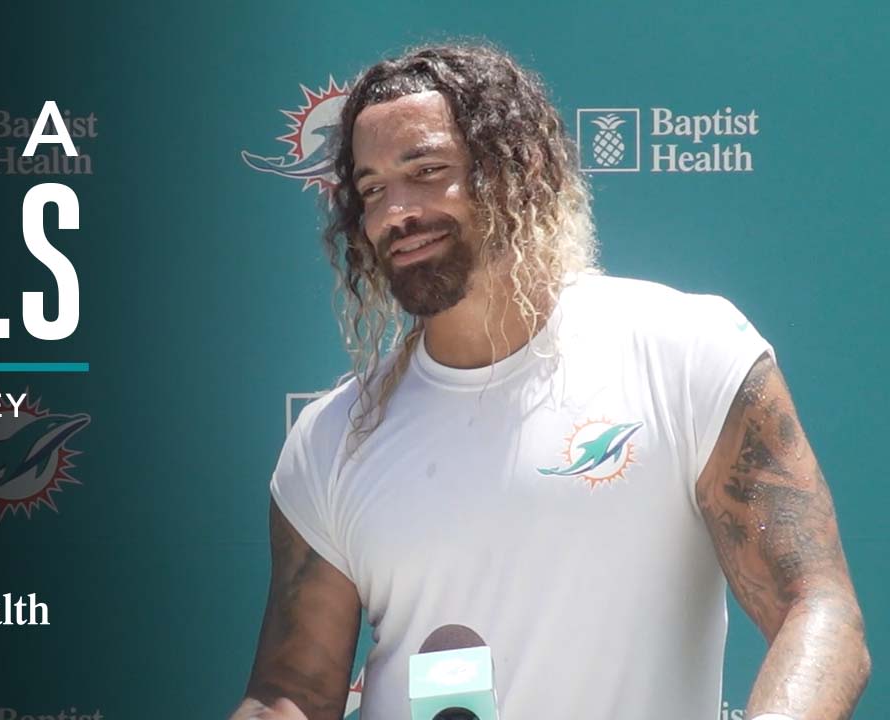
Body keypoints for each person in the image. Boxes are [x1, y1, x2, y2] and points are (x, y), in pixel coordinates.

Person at [229, 42, 870, 720]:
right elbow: (291, 693)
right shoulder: (332, 436)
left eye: (426, 171)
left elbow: (818, 610)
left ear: (520, 169)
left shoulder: (687, 353)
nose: (396, 212)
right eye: (373, 190)